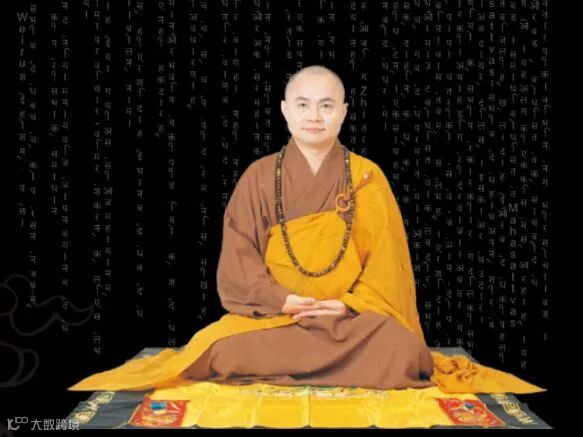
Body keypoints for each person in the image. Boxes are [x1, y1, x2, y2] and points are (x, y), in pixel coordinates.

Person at [68, 66, 544, 395]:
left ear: (344, 112)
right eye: (303, 104)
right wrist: (284, 301)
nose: (314, 115)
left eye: (326, 105)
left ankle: (310, 359)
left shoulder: (367, 177)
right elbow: (238, 260)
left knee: (402, 350)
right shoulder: (259, 176)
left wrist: (347, 304)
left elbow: (387, 263)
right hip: (276, 316)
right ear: (284, 110)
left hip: (349, 319)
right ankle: (325, 362)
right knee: (220, 348)